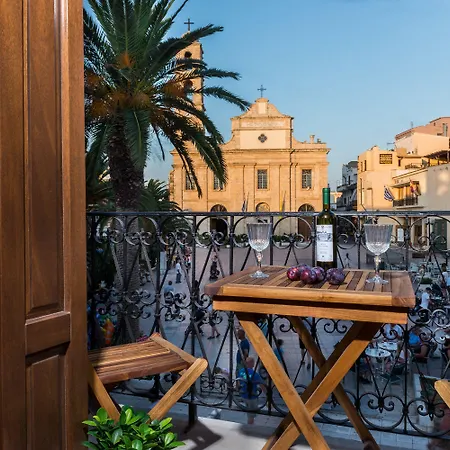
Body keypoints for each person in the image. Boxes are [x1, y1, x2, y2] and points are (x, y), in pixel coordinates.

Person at [237, 357, 265, 425]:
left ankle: (250, 422)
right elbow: (262, 386)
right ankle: (249, 426)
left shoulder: (241, 371)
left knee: (248, 410)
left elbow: (238, 382)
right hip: (251, 397)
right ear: (252, 363)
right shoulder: (254, 374)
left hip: (243, 395)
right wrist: (268, 395)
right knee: (251, 415)